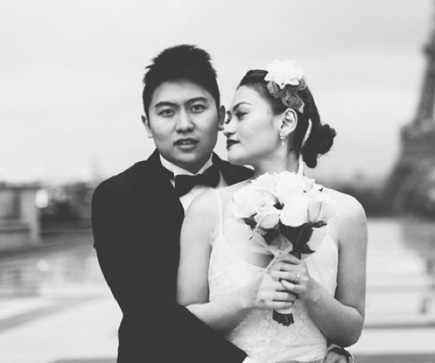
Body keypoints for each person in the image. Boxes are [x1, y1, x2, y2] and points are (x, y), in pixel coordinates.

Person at [92, 46, 353, 363]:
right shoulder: (118, 197)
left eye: (197, 108)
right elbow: (150, 315)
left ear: (221, 115)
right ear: (147, 124)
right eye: (166, 112)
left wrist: (325, 346)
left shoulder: (261, 185)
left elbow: (304, 284)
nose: (184, 124)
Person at [176, 61, 367, 363]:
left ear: (286, 122)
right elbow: (182, 323)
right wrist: (249, 297)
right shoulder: (207, 210)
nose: (227, 127)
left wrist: (312, 292)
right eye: (227, 117)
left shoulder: (346, 213)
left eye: (240, 114)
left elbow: (351, 329)